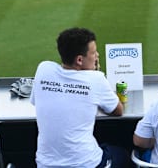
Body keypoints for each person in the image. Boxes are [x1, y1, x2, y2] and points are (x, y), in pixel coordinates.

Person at [31, 27, 127, 168]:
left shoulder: (43, 69)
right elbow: (118, 110)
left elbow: (37, 100)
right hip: (86, 164)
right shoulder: (96, 79)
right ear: (80, 60)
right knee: (123, 154)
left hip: (45, 165)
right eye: (93, 53)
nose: (97, 56)